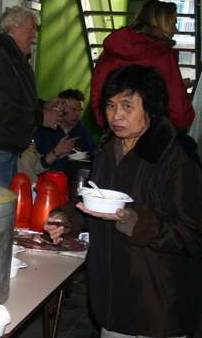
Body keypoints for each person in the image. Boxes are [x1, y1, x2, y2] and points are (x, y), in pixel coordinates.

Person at [45, 64, 202, 337]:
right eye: (111, 105)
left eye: (127, 106)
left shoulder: (175, 160)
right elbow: (94, 204)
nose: (116, 115)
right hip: (112, 300)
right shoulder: (108, 151)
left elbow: (190, 233)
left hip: (158, 308)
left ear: (151, 109)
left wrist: (133, 221)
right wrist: (64, 219)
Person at [0, 6, 66, 189]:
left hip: (0, 151)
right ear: (14, 27)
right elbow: (1, 110)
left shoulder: (11, 57)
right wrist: (41, 117)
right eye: (31, 29)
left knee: (1, 210)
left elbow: (15, 100)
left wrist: (44, 105)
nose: (34, 36)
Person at [90, 0, 194, 131]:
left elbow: (98, 108)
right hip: (148, 138)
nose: (176, 31)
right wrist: (178, 89)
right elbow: (182, 118)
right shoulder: (163, 58)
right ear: (161, 25)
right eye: (173, 24)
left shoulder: (109, 53)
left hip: (114, 137)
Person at [33, 88, 95, 173]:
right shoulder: (44, 129)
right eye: (73, 110)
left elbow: (93, 157)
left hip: (72, 181)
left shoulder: (82, 131)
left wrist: (83, 163)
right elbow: (33, 162)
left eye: (80, 110)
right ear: (61, 107)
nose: (78, 114)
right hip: (44, 180)